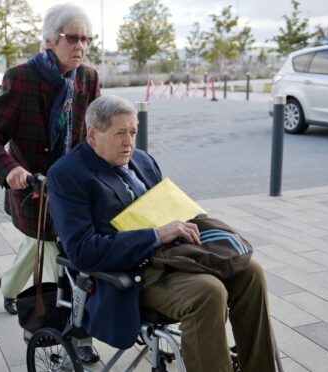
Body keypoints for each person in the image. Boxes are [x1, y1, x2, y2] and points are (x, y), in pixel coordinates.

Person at [47, 95, 276, 372]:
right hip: (128, 276)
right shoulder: (67, 175)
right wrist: (155, 236)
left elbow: (168, 209)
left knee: (250, 272)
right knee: (208, 292)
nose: (129, 142)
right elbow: (83, 251)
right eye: (120, 133)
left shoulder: (142, 160)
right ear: (93, 134)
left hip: (172, 257)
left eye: (133, 131)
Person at [0, 3, 101, 364]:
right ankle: (79, 335)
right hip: (36, 188)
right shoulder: (22, 78)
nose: (81, 46)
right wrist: (10, 168)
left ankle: (12, 287)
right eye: (73, 38)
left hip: (76, 187)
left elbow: (94, 129)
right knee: (58, 253)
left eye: (86, 39)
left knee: (51, 248)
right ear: (50, 40)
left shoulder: (88, 78)